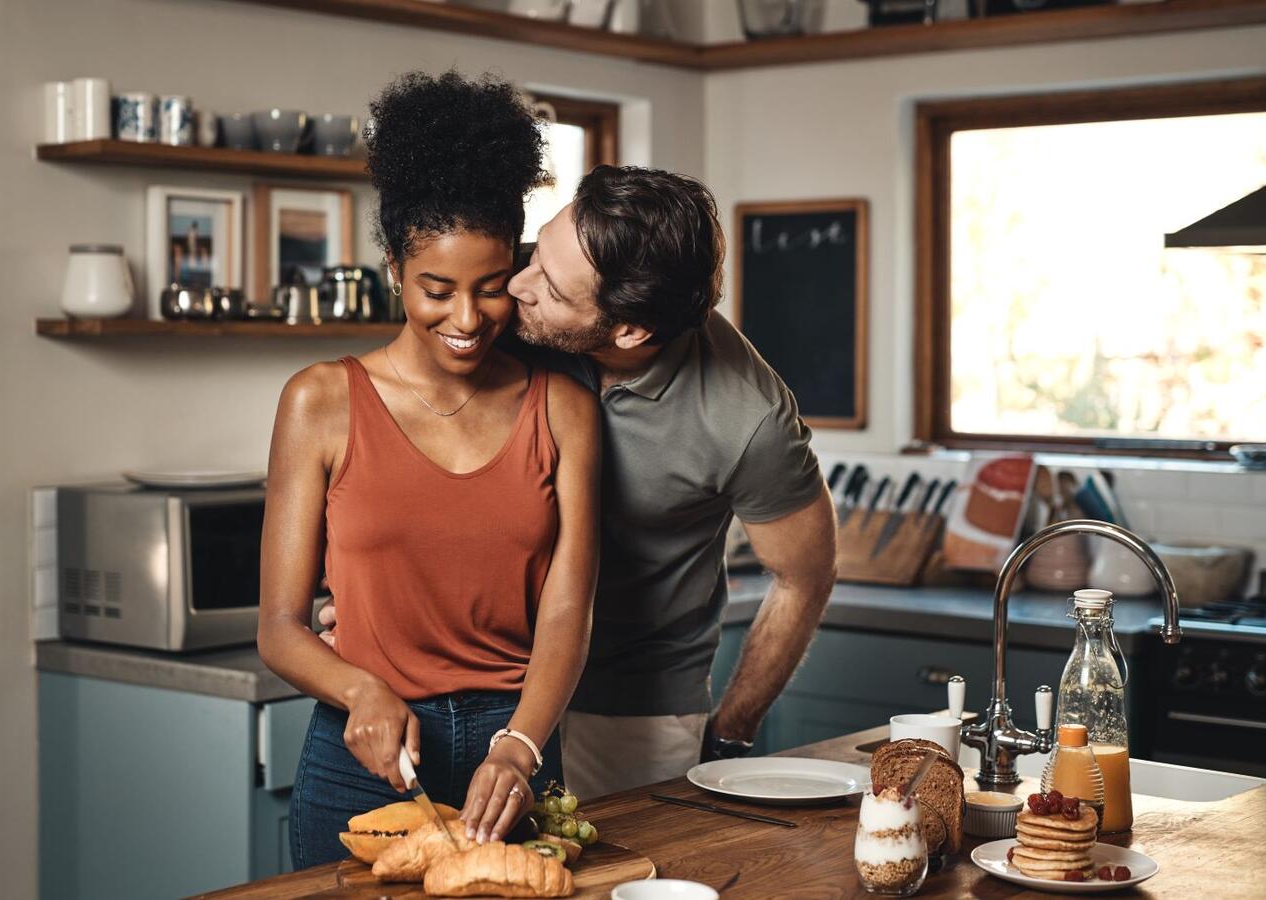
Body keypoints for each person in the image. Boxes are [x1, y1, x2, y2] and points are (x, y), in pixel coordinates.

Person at [324, 165, 837, 799]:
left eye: (552, 288)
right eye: (537, 252)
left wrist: (729, 734)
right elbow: (407, 443)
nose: (517, 284)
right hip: (481, 688)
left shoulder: (746, 418)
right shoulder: (506, 296)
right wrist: (360, 593)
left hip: (631, 706)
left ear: (627, 330)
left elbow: (804, 574)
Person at [258, 71, 600, 870]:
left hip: (513, 753)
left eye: (489, 290)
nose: (467, 319)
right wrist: (359, 689)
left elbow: (566, 612)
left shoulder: (562, 408)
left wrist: (519, 744)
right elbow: (277, 626)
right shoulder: (320, 402)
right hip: (361, 753)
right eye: (436, 290)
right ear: (391, 266)